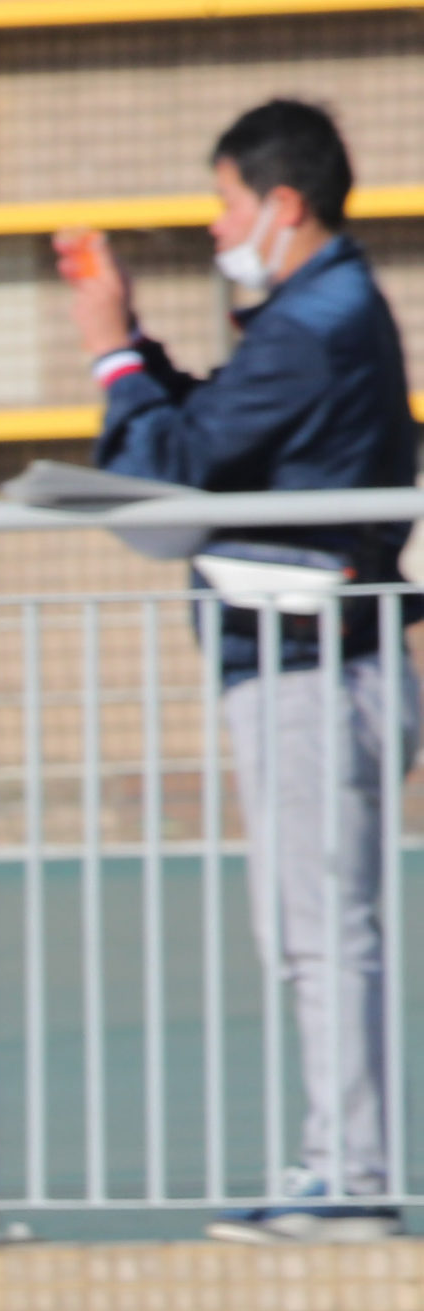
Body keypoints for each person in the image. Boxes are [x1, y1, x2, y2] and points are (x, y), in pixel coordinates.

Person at [61, 99, 418, 1243]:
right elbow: (214, 434)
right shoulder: (309, 318)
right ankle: (340, 1163)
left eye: (225, 200)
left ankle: (351, 1175)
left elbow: (178, 463)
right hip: (305, 663)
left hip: (317, 663)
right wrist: (142, 355)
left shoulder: (319, 322)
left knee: (324, 926)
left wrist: (116, 350)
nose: (220, 224)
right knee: (310, 923)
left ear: (284, 201)